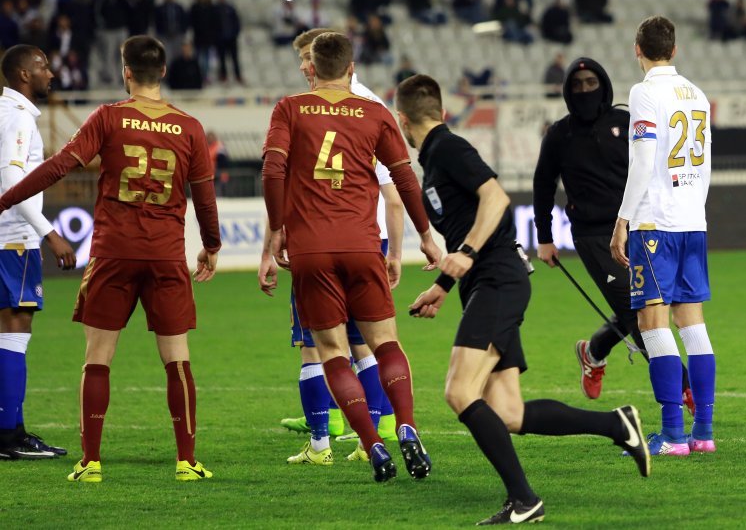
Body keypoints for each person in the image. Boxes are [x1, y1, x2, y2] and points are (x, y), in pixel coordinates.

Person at [399, 74, 650, 525]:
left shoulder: (448, 149)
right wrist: (441, 287)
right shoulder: (434, 159)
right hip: (487, 282)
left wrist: (468, 254)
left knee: (459, 392)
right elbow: (467, 235)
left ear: (402, 119)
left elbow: (497, 198)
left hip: (498, 280)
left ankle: (524, 499)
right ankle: (617, 425)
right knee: (509, 412)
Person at [0, 35, 222, 481]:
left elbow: (59, 165)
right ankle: (186, 461)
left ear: (126, 72)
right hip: (164, 254)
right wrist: (211, 245)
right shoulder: (190, 127)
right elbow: (205, 197)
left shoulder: (108, 118)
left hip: (113, 252)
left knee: (98, 358)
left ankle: (92, 462)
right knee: (177, 359)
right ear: (162, 73)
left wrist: (7, 199)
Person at [259, 32, 441, 483]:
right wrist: (426, 237)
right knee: (385, 344)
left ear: (313, 67)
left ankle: (371, 446)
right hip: (364, 245)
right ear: (351, 66)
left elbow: (272, 170)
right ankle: (405, 426)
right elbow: (404, 180)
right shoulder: (376, 113)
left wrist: (277, 232)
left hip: (311, 250)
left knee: (332, 351)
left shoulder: (290, 108)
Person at [533, 57, 694, 410]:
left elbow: (653, 168)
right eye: (577, 85)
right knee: (638, 311)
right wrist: (544, 237)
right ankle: (683, 388)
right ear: (566, 92)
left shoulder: (627, 122)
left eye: (591, 83)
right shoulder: (559, 135)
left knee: (641, 307)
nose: (585, 90)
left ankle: (593, 352)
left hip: (639, 226)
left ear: (604, 85)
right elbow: (543, 185)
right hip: (593, 237)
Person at [611, 16, 716, 456]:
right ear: (674, 50)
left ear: (638, 49)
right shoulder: (697, 94)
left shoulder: (644, 92)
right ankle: (703, 432)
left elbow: (642, 160)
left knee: (652, 323)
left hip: (656, 222)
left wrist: (623, 218)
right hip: (693, 221)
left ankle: (673, 434)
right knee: (692, 324)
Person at [0, 44, 76, 460]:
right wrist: (51, 234)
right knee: (15, 329)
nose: (51, 72)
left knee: (9, 331)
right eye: (43, 66)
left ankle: (12, 429)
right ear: (24, 75)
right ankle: (9, 436)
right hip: (13, 240)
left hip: (8, 238)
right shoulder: (16, 120)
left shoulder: (10, 114)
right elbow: (13, 185)